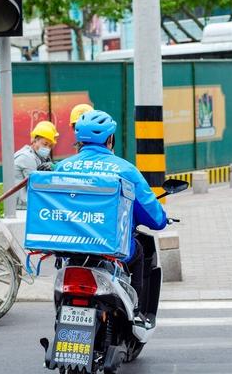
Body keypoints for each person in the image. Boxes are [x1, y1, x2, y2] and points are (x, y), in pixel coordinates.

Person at [55, 110, 167, 325]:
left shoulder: (62, 167)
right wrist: (161, 219)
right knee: (140, 251)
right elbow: (154, 218)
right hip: (109, 247)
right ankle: (136, 312)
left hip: (70, 247)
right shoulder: (125, 169)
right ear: (110, 139)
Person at [14, 120, 59, 209]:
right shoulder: (27, 157)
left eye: (50, 146)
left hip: (29, 204)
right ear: (34, 141)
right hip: (22, 207)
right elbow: (37, 185)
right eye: (45, 144)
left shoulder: (38, 156)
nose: (47, 148)